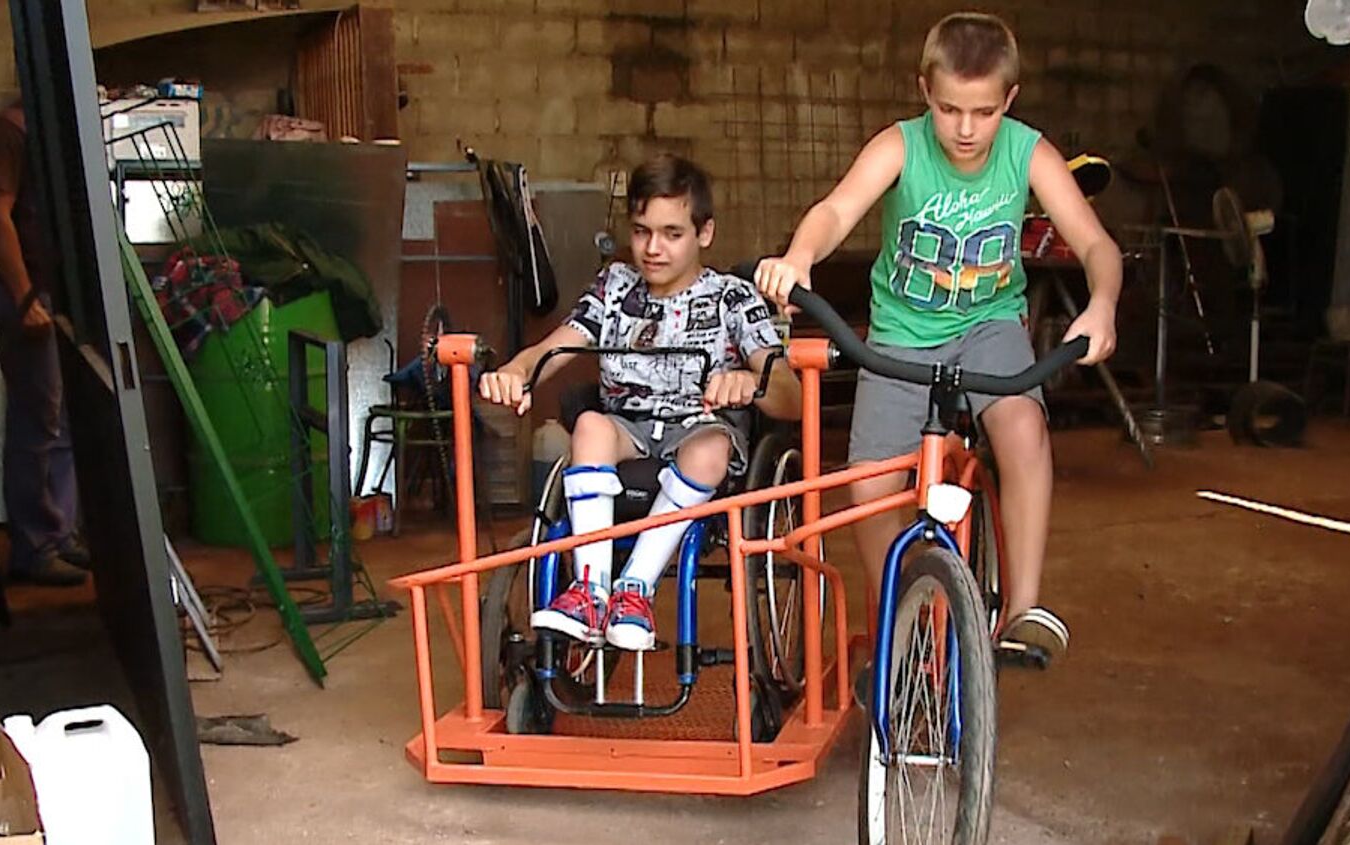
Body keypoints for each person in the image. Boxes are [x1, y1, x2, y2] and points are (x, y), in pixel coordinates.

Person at [755, 12, 1122, 662]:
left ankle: (1024, 607)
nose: (964, 129)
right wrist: (801, 255)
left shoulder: (1026, 151)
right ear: (925, 89)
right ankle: (895, 611)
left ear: (1008, 99)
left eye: (982, 112)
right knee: (868, 483)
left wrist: (1102, 304)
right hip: (900, 335)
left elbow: (1095, 242)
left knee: (1024, 430)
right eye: (950, 108)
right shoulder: (899, 145)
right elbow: (838, 208)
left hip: (988, 327)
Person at [478, 154, 797, 651]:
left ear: (703, 233)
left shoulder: (732, 297)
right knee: (587, 425)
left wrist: (748, 381)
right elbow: (560, 345)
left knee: (710, 448)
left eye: (672, 233)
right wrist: (520, 370)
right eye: (643, 231)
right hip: (628, 430)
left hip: (699, 430)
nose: (653, 248)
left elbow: (790, 395)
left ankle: (635, 589)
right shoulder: (614, 286)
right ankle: (590, 590)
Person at [0, 101, 90, 587]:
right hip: (25, 295)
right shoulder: (6, 131)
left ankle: (59, 532)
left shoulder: (52, 136)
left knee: (61, 421)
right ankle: (34, 545)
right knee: (37, 422)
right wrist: (25, 295)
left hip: (55, 296)